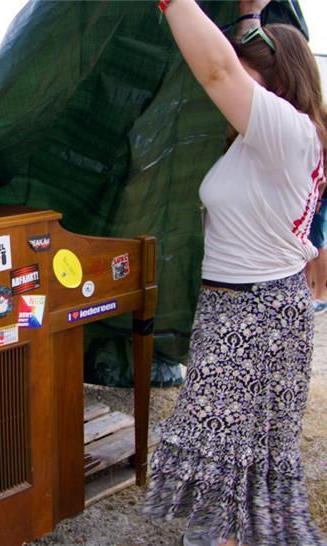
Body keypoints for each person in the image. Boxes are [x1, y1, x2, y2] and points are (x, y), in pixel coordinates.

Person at [143, 1, 326, 545]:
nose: (231, 96)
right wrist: (250, 16)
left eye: (251, 82)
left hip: (254, 314)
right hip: (246, 306)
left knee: (228, 449)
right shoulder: (269, 139)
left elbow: (219, 70)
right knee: (237, 450)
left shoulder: (288, 133)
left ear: (279, 85)